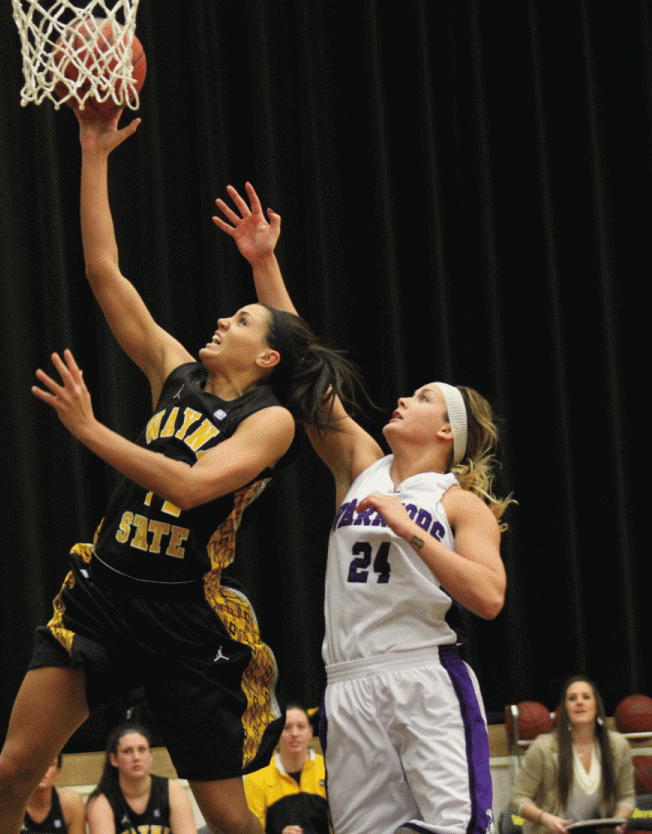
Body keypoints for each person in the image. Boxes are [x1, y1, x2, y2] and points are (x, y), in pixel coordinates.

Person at [0, 108, 366, 834]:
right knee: (12, 769)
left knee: (225, 814)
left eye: (242, 320)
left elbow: (189, 486)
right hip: (107, 594)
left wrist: (89, 429)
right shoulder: (174, 373)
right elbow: (103, 271)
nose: (224, 321)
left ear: (268, 357)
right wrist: (93, 154)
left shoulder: (269, 422)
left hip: (186, 617)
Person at [213, 182, 515, 834]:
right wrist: (264, 261)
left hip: (423, 675)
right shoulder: (361, 462)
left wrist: (416, 535)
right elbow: (302, 373)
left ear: (447, 433)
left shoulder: (460, 505)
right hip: (346, 683)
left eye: (426, 397)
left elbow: (489, 597)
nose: (406, 396)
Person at [511, 676, 635, 834]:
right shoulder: (543, 747)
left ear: (596, 706)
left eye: (586, 697)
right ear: (564, 708)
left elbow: (626, 797)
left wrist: (618, 821)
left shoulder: (618, 746)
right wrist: (544, 818)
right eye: (572, 698)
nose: (579, 702)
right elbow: (518, 798)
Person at [86, 723, 196, 834]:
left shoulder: (172, 791)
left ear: (150, 756)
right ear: (114, 759)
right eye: (128, 751)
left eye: (142, 749)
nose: (136, 757)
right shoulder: (101, 802)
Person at [243, 704, 329, 834]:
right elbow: (249, 831)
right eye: (287, 728)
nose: (294, 734)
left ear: (310, 732)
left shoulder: (327, 769)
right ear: (277, 733)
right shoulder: (256, 777)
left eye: (301, 727)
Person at [22, 754, 85, 834]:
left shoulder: (72, 802)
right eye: (36, 763)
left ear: (58, 771)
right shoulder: (10, 803)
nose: (43, 769)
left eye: (50, 764)